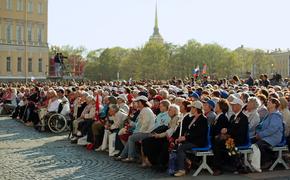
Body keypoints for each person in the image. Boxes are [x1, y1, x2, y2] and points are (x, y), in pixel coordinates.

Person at [212, 97, 249, 175]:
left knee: (221, 143)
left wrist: (228, 133)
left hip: (238, 139)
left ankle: (219, 167)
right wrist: (226, 131)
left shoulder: (243, 117)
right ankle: (237, 165)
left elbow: (241, 132)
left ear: (239, 106)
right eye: (232, 105)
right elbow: (229, 128)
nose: (232, 107)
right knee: (219, 142)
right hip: (231, 138)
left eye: (234, 105)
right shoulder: (232, 117)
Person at [115, 96, 155, 162]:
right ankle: (123, 155)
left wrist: (138, 132)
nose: (137, 104)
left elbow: (146, 124)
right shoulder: (144, 110)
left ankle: (130, 157)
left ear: (142, 103)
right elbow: (139, 124)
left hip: (147, 132)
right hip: (144, 131)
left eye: (138, 102)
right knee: (130, 138)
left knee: (131, 138)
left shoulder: (146, 110)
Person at [174, 101, 208, 177]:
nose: (190, 108)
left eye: (192, 107)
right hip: (191, 140)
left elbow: (198, 133)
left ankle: (182, 169)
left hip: (198, 141)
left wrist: (185, 138)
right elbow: (189, 131)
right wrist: (182, 137)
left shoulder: (203, 119)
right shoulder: (193, 118)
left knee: (181, 148)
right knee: (177, 145)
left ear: (196, 109)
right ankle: (187, 162)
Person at [253, 98, 284, 168]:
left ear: (274, 104)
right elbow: (262, 126)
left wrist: (260, 134)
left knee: (258, 145)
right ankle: (253, 162)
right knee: (252, 142)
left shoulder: (276, 115)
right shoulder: (269, 114)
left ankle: (267, 160)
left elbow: (272, 129)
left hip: (273, 137)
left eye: (270, 102)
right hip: (265, 136)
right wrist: (258, 132)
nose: (268, 103)